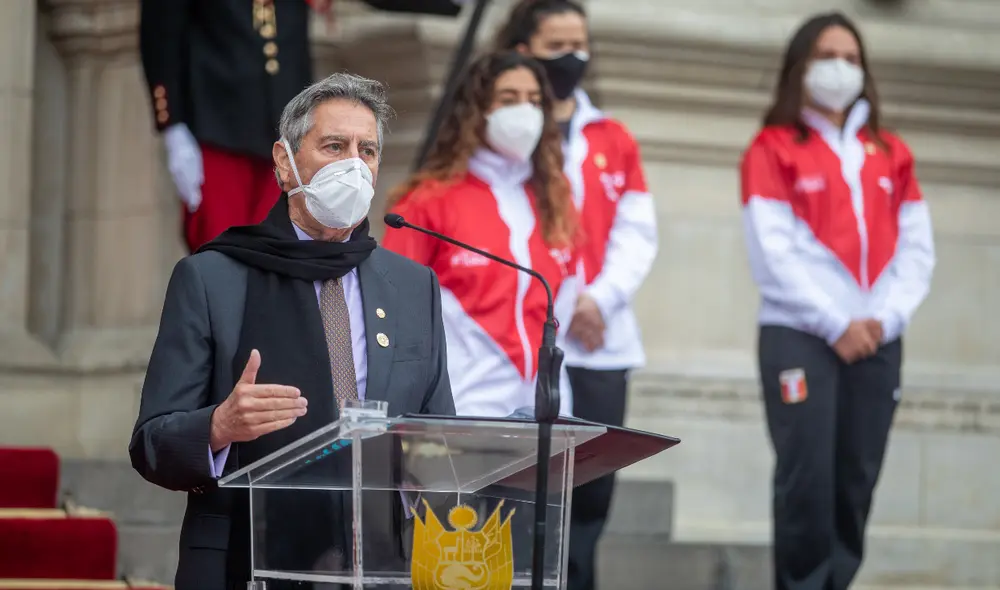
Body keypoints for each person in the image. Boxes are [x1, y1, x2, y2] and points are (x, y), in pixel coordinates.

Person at [129, 73, 455, 590]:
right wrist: (218, 426)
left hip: (384, 565)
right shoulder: (213, 279)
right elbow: (151, 444)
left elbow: (440, 439)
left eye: (367, 151)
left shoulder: (413, 287)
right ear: (284, 163)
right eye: (335, 146)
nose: (354, 165)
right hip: (246, 564)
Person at [740, 13, 935, 590]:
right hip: (801, 337)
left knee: (856, 482)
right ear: (800, 66)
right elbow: (772, 254)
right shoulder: (772, 148)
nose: (840, 69)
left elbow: (918, 251)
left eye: (851, 59)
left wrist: (884, 319)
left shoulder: (891, 153)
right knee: (807, 481)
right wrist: (834, 324)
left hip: (877, 339)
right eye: (827, 56)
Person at [493, 3, 659, 589]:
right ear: (523, 50)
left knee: (592, 492)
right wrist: (563, 307)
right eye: (556, 45)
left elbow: (637, 232)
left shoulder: (613, 136)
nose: (571, 57)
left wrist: (599, 300)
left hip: (601, 339)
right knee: (532, 484)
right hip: (531, 334)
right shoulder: (509, 136)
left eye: (579, 44)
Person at [381, 51, 579, 419]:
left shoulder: (554, 201)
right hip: (463, 409)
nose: (524, 111)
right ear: (476, 109)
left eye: (534, 100)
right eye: (508, 99)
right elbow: (391, 308)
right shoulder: (428, 202)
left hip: (548, 412)